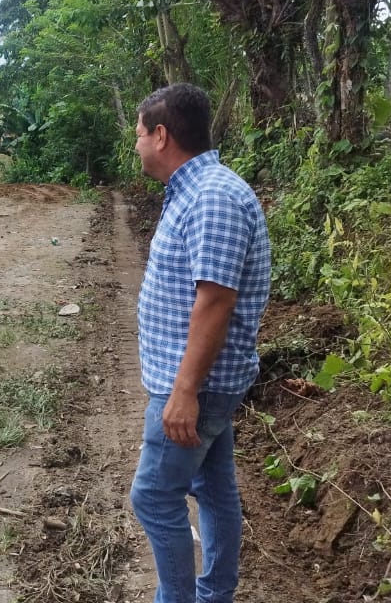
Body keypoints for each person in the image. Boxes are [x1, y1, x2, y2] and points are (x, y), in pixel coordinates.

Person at [129, 83, 270, 603]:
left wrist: (184, 390)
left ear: (161, 135)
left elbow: (214, 301)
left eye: (139, 135)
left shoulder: (212, 198)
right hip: (201, 382)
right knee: (212, 488)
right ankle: (215, 595)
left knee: (153, 496)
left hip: (196, 386)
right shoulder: (195, 190)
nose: (136, 145)